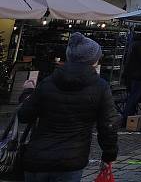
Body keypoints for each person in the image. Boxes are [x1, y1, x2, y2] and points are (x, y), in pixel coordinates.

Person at [19, 32, 118, 181]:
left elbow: (24, 115)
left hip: (37, 158)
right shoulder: (100, 87)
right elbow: (108, 125)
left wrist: (27, 92)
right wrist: (109, 155)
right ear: (94, 60)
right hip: (70, 160)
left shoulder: (48, 82)